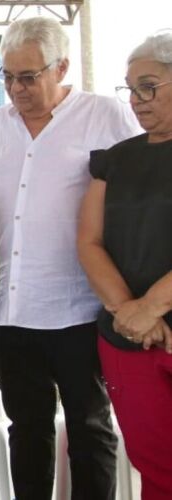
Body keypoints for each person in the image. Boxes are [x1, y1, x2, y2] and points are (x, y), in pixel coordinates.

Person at [0, 16, 141, 499]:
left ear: (62, 67)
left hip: (80, 306)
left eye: (28, 76)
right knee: (27, 427)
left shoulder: (104, 114)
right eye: (7, 76)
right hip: (9, 309)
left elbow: (134, 197)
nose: (16, 89)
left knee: (89, 427)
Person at [78, 31, 172, 500]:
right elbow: (89, 242)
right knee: (154, 469)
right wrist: (129, 312)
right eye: (131, 89)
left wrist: (153, 305)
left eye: (149, 87)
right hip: (127, 337)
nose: (136, 101)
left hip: (151, 320)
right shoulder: (114, 161)